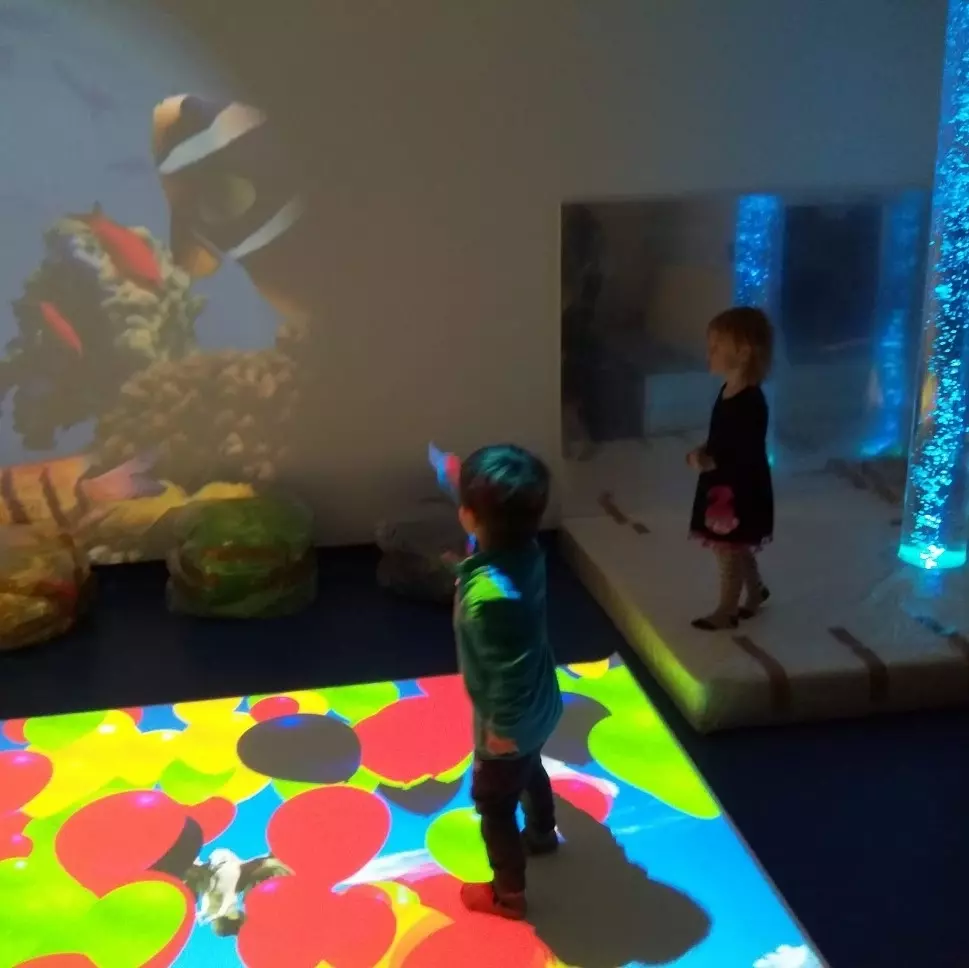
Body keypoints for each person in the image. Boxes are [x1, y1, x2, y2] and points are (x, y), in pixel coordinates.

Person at [446, 443, 563, 920]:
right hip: (542, 705)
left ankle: (508, 894)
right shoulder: (526, 552)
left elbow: (506, 674)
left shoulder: (488, 598)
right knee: (530, 768)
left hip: (509, 723)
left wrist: (500, 731)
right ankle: (542, 834)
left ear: (469, 516)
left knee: (494, 805)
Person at [687, 307, 774, 631]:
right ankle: (755, 591)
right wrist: (705, 451)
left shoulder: (750, 401)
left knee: (728, 550)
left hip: (738, 489)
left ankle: (726, 610)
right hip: (723, 485)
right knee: (736, 545)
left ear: (744, 351)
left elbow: (743, 449)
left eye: (716, 347)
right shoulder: (728, 391)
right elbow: (723, 438)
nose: (708, 354)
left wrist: (709, 460)